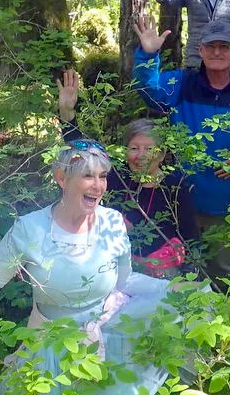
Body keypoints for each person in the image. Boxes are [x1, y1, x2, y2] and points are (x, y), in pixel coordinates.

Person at [0, 142, 175, 395]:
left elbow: (123, 280)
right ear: (62, 178)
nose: (98, 185)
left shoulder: (113, 222)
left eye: (103, 176)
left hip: (109, 332)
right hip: (50, 344)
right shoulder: (30, 229)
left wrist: (168, 289)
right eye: (87, 175)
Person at [132, 15, 230, 276]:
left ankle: (220, 314)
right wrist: (147, 55)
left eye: (224, 46)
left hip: (223, 204)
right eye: (210, 46)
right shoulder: (183, 83)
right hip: (178, 198)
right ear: (200, 50)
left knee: (221, 267)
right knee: (177, 265)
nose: (217, 52)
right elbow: (148, 89)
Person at [56, 69, 199, 278]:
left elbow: (190, 235)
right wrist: (67, 114)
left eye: (148, 149)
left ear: (161, 154)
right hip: (114, 264)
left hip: (162, 270)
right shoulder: (116, 176)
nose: (140, 155)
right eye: (134, 148)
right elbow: (83, 151)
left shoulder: (175, 186)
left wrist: (189, 271)